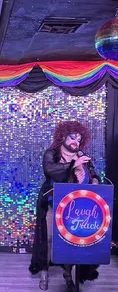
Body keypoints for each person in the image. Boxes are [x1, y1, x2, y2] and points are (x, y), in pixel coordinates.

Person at [29, 121, 100, 291]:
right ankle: (45, 272)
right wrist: (72, 165)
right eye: (72, 137)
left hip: (77, 208)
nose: (76, 141)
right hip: (53, 203)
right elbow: (50, 170)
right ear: (64, 136)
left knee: (71, 241)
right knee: (49, 239)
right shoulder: (51, 154)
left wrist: (95, 181)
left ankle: (68, 276)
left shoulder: (82, 155)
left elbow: (94, 173)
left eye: (79, 139)